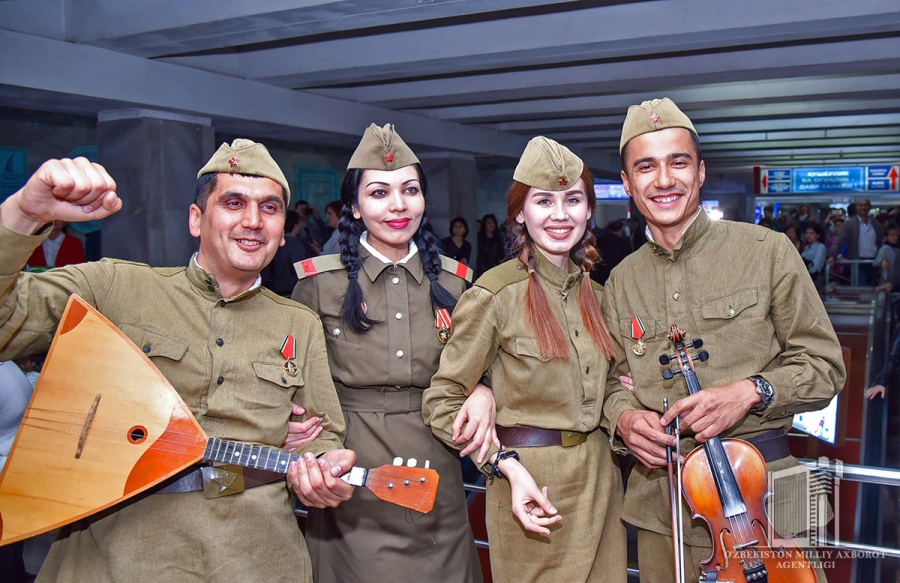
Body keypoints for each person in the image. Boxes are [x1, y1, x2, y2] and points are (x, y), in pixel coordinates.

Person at [0, 141, 356, 582]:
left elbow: (324, 433)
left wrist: (321, 471)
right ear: (195, 219)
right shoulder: (115, 287)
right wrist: (24, 213)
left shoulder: (298, 323)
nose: (252, 221)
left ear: (283, 231)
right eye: (233, 203)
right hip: (119, 549)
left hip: (255, 554)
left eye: (270, 208)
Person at [600, 98, 846, 583]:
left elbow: (827, 365)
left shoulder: (768, 250)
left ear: (701, 171)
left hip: (777, 483)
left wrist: (751, 391)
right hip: (663, 504)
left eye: (679, 162)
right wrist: (623, 417)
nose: (664, 180)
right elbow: (610, 382)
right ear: (628, 184)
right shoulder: (619, 281)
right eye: (646, 167)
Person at [424, 137, 627, 582]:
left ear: (589, 209)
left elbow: (612, 386)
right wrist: (503, 465)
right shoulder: (495, 294)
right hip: (533, 488)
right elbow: (442, 402)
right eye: (543, 201)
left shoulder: (599, 295)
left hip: (601, 482)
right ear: (520, 212)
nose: (560, 214)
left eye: (573, 200)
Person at [291, 123, 483, 583]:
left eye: (410, 190)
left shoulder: (456, 283)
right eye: (379, 193)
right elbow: (294, 379)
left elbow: (479, 364)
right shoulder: (319, 284)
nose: (398, 205)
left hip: (440, 473)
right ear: (355, 207)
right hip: (352, 474)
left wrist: (485, 390)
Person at [828, 198, 884, 286]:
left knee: (873, 290)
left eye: (865, 205)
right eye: (860, 205)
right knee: (860, 290)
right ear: (856, 208)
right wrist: (832, 256)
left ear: (869, 207)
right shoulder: (849, 224)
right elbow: (839, 241)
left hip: (874, 263)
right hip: (857, 263)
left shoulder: (876, 224)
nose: (863, 208)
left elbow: (881, 243)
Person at [260, 209, 309, 296]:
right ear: (296, 225)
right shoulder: (296, 244)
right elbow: (302, 270)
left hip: (272, 289)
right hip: (291, 290)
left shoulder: (273, 242)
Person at [592, 219, 633, 285]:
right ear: (620, 230)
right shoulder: (623, 244)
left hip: (601, 277)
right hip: (617, 277)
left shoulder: (600, 242)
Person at [873, 224, 900, 292]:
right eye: (892, 235)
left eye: (896, 235)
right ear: (886, 237)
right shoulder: (884, 249)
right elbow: (875, 263)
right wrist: (882, 261)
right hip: (887, 280)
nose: (895, 237)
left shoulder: (897, 250)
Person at [802, 222, 827, 287]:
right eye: (806, 233)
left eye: (811, 233)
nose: (808, 235)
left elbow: (815, 267)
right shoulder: (806, 247)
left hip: (814, 278)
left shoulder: (820, 247)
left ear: (818, 235)